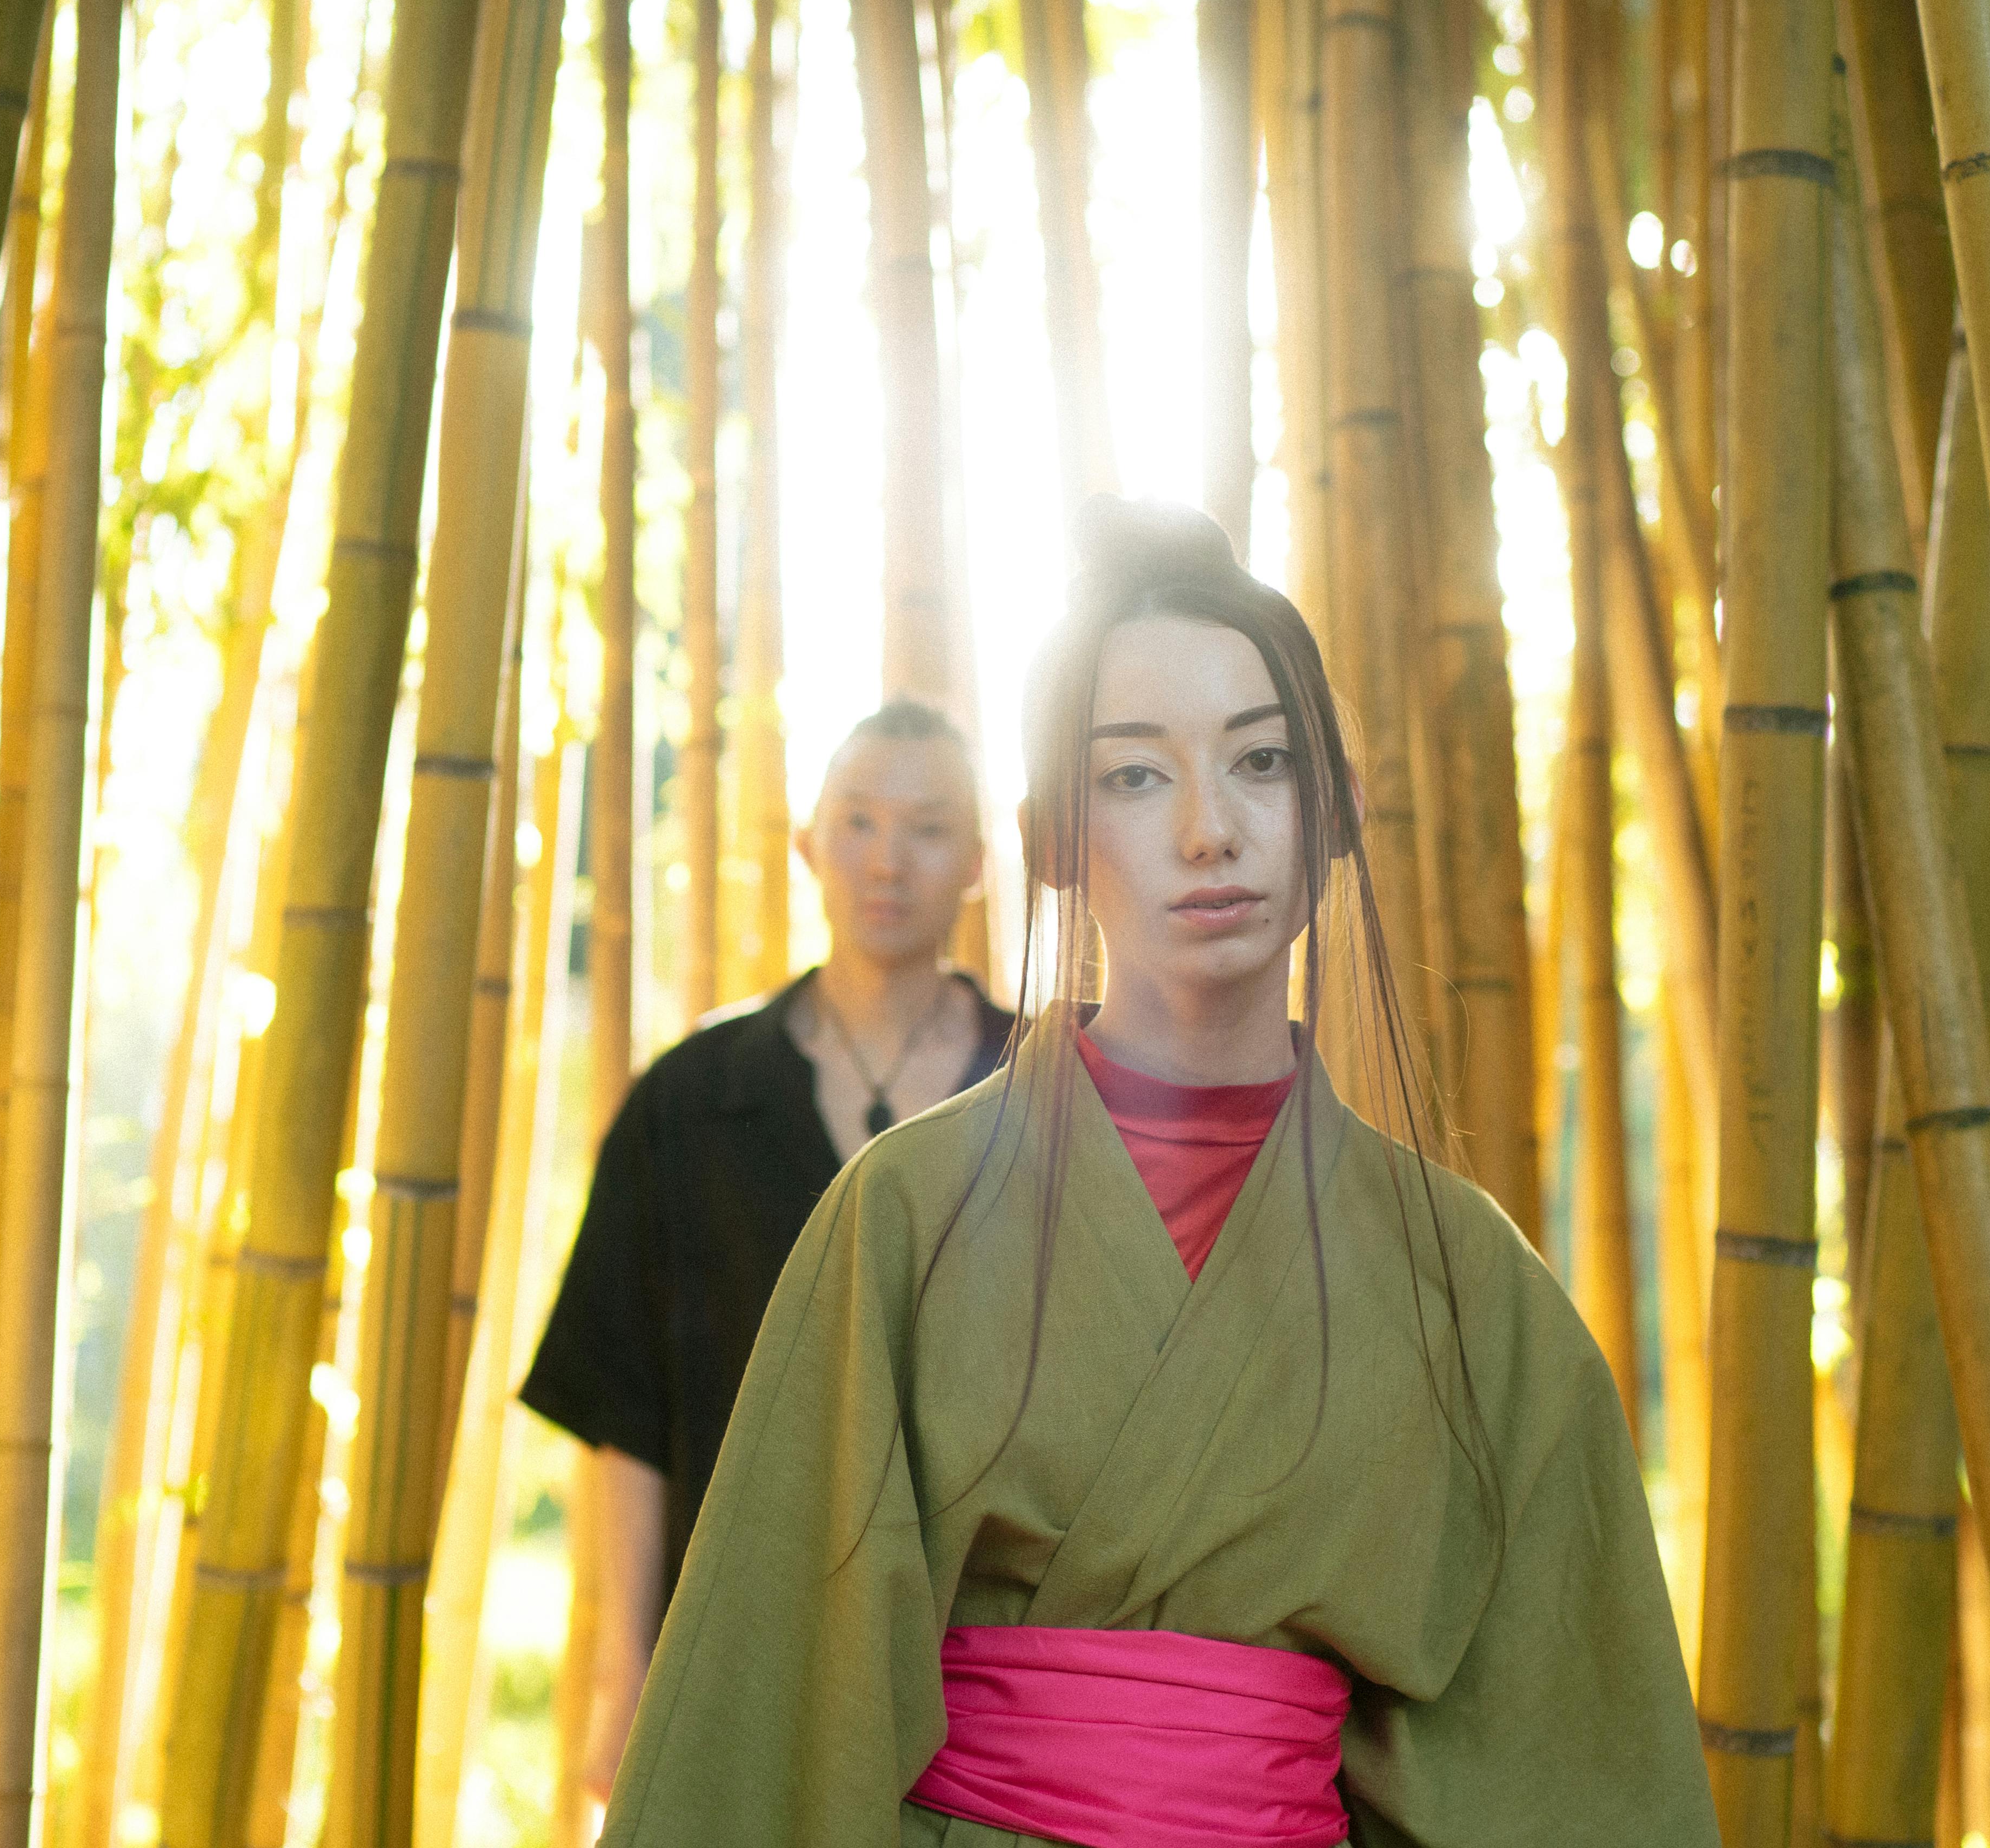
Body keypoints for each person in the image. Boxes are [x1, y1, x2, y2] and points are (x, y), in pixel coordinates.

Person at [600, 499, 1715, 1845]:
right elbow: (772, 1707)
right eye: (1135, 775)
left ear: (1340, 812)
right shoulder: (900, 1218)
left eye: (1263, 762)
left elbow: (1570, 1759)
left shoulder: (1471, 1283)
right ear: (1057, 834)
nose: (1208, 829)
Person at [519, 698, 1017, 1799]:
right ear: (808, 844)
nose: (888, 859)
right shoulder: (691, 1101)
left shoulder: (1048, 1098)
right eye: (859, 821)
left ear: (979, 861)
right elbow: (631, 1423)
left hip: (998, 1667)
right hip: (745, 1641)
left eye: (928, 827)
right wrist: (627, 1678)